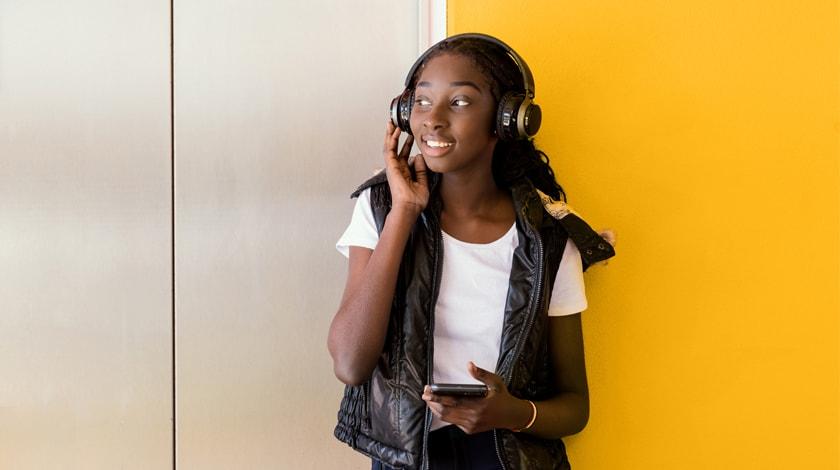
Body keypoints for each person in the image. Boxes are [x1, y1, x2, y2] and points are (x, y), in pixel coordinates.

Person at [328, 33, 615, 470]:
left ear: (505, 120)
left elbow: (575, 408)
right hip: (408, 458)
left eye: (460, 102)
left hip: (506, 457)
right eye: (421, 102)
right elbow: (350, 363)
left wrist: (512, 412)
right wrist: (405, 211)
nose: (433, 120)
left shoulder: (549, 239)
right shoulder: (382, 207)